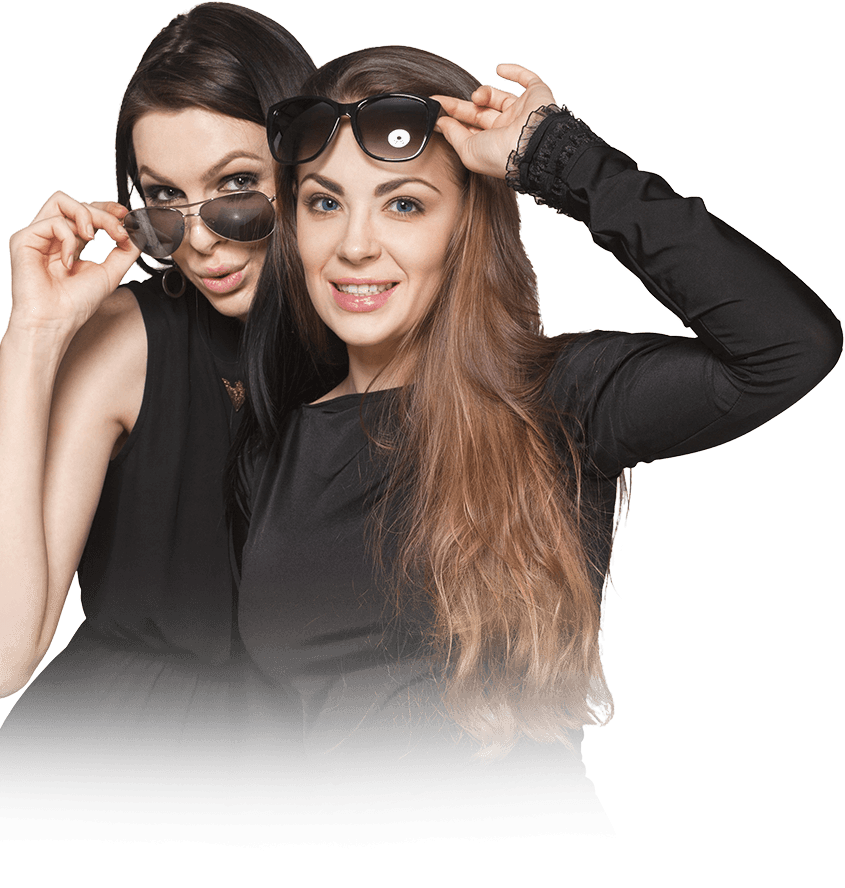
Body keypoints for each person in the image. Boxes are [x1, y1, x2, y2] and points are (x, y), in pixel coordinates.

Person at [223, 45, 842, 842]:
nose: (355, 246)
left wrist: (556, 158)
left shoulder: (555, 401)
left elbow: (788, 346)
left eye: (404, 204)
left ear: (466, 226)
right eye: (324, 202)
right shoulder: (270, 451)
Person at [0, 4, 328, 843]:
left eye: (236, 187)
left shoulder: (385, 327)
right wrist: (33, 339)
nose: (201, 243)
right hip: (122, 769)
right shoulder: (126, 338)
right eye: (163, 200)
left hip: (337, 769)